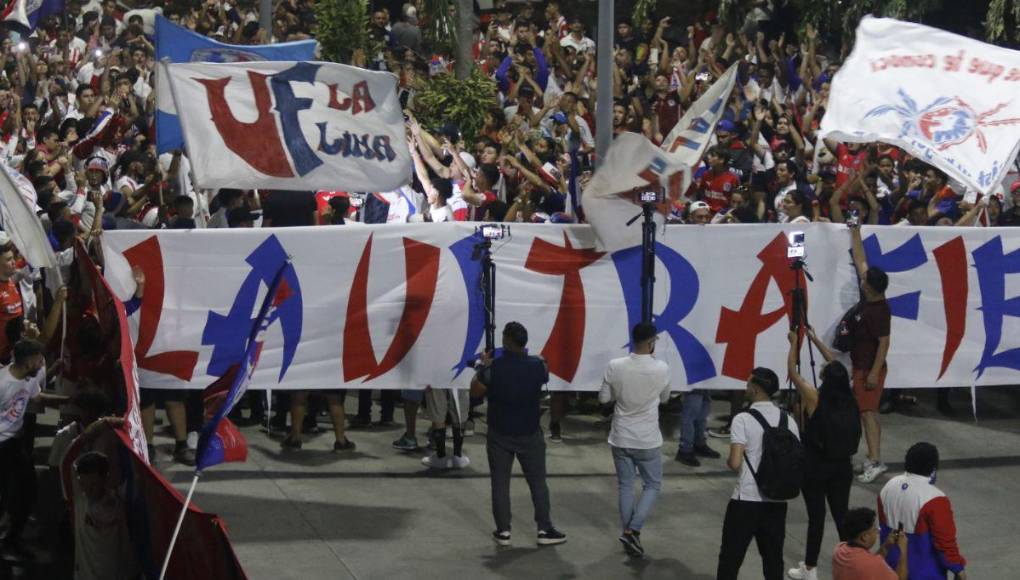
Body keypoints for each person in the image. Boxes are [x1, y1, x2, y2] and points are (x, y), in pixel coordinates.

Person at [471, 322, 566, 547]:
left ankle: (503, 531)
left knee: (500, 484)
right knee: (538, 483)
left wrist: (482, 367)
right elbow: (543, 376)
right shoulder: (539, 365)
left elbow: (475, 393)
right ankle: (544, 528)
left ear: (505, 340)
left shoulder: (493, 368)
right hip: (530, 432)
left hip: (499, 432)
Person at [786, 329, 860, 580]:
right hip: (842, 467)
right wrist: (816, 340)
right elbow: (837, 366)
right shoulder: (850, 398)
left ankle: (810, 568)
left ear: (827, 378)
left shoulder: (815, 398)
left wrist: (795, 344)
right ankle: (852, 564)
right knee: (841, 516)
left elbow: (793, 374)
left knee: (816, 517)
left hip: (816, 467)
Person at [717, 367, 799, 580]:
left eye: (747, 384)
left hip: (746, 499)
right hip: (776, 499)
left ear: (755, 389)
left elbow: (735, 463)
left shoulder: (743, 419)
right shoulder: (788, 420)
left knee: (731, 558)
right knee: (773, 559)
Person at [599, 322, 671, 557]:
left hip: (621, 435)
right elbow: (666, 398)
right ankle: (633, 530)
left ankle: (628, 532)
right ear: (652, 342)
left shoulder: (615, 366)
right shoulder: (662, 368)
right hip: (647, 438)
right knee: (652, 485)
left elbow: (603, 399)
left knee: (625, 486)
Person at [0, 339, 68, 560]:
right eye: (40, 361)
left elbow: (37, 397)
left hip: (14, 444)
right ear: (28, 362)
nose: (42, 365)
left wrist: (69, 400)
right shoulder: (2, 382)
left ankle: (12, 538)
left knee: (28, 490)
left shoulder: (29, 379)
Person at [878, 443, 968, 580]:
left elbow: (883, 527)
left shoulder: (889, 486)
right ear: (933, 468)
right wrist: (957, 568)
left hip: (889, 567)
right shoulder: (936, 499)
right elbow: (944, 543)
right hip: (923, 573)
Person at [849, 223, 891, 483]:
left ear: (870, 288)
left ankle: (875, 460)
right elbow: (861, 260)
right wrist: (855, 232)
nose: (861, 280)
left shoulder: (879, 312)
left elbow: (884, 343)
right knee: (869, 413)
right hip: (862, 367)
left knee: (868, 414)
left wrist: (874, 373)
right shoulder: (871, 299)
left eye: (865, 281)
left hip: (869, 369)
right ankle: (873, 457)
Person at [832, 507, 908, 580]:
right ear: (864, 536)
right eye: (875, 529)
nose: (877, 532)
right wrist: (903, 551)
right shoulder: (872, 565)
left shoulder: (839, 550)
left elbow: (868, 563)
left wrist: (886, 546)